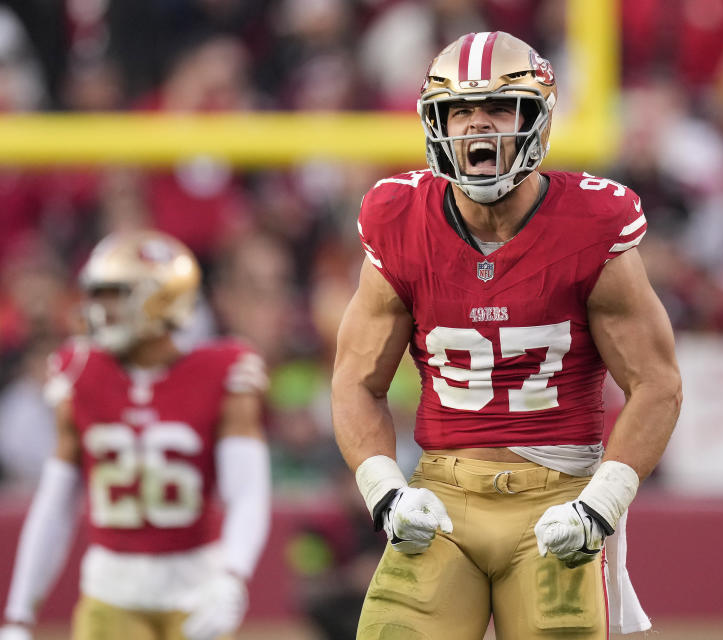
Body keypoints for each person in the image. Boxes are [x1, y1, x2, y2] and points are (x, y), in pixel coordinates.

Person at [331, 31, 682, 639]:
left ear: (538, 120)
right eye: (460, 111)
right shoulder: (399, 218)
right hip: (443, 491)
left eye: (499, 108)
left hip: (559, 499)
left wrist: (601, 502)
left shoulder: (592, 223)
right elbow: (356, 382)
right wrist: (386, 491)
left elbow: (657, 384)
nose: (478, 127)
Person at [0, 230, 271, 640]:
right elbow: (55, 504)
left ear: (162, 299)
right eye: (97, 294)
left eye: (114, 294)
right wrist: (18, 616)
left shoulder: (224, 370)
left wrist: (232, 574)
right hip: (110, 593)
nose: (99, 309)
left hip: (196, 586)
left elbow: (247, 492)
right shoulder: (80, 371)